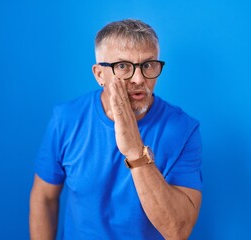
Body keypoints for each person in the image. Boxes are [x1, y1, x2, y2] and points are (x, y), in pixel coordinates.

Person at [29, 19, 203, 240]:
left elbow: (178, 231)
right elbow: (44, 197)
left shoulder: (183, 130)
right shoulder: (66, 119)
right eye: (123, 66)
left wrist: (135, 152)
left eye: (148, 65)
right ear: (99, 74)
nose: (139, 79)